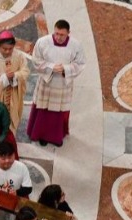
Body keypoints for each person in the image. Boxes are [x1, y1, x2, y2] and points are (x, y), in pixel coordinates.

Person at [27, 19, 86, 147]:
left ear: (68, 33)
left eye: (62, 35)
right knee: (44, 110)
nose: (58, 37)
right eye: (56, 34)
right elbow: (36, 60)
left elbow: (80, 64)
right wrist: (51, 67)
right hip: (47, 81)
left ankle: (56, 137)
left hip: (63, 84)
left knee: (58, 113)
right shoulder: (43, 42)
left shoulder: (76, 45)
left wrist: (66, 69)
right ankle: (41, 135)